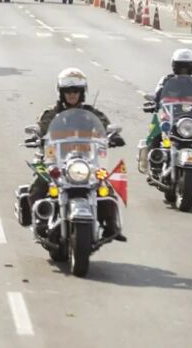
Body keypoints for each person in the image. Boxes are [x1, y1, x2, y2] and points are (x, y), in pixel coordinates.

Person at [21, 68, 126, 241]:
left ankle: (111, 225)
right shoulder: (51, 114)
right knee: (39, 185)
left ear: (82, 92)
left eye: (75, 91)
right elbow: (41, 126)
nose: (72, 94)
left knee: (104, 186)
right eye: (68, 91)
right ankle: (40, 220)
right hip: (53, 159)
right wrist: (36, 135)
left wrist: (112, 136)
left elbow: (104, 126)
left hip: (86, 160)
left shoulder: (91, 113)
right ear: (61, 93)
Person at [146, 49, 192, 181]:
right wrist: (154, 103)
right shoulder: (166, 80)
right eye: (181, 66)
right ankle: (155, 168)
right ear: (174, 65)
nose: (184, 70)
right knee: (156, 133)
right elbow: (158, 95)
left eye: (187, 66)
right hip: (170, 118)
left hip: (191, 119)